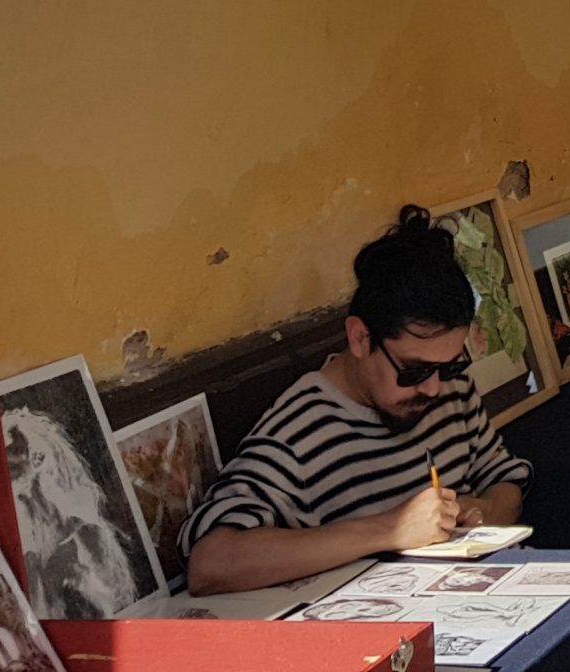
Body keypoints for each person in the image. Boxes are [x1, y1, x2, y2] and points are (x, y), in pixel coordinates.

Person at [182, 207, 531, 593]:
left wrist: (481, 513)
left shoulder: (452, 387)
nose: (434, 389)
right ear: (360, 338)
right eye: (414, 371)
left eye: (448, 367)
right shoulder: (301, 431)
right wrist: (392, 529)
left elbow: (506, 480)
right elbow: (211, 563)